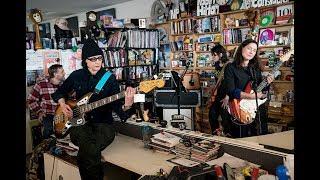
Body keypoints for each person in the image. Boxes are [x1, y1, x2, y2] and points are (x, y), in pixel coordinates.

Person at [51, 39, 136, 180]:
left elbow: (119, 108)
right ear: (85, 61)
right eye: (93, 59)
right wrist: (62, 103)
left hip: (104, 125)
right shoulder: (76, 75)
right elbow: (60, 92)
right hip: (78, 124)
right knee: (90, 148)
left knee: (89, 149)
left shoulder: (109, 78)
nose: (97, 62)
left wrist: (128, 104)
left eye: (100, 58)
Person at [223, 39, 274, 138]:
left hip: (256, 109)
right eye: (249, 48)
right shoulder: (230, 68)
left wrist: (267, 83)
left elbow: (261, 90)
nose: (251, 52)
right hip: (239, 109)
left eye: (254, 50)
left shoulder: (255, 68)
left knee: (260, 139)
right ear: (242, 48)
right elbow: (231, 91)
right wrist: (251, 96)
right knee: (242, 139)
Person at [27, 64, 65, 139]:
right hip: (48, 114)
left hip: (62, 115)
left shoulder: (64, 84)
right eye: (62, 71)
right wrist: (39, 112)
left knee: (63, 136)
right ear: (55, 74)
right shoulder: (41, 84)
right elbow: (31, 100)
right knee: (49, 135)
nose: (64, 73)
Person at [208, 44, 232, 136]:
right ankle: (216, 134)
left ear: (221, 54)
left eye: (214, 55)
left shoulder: (229, 66)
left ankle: (227, 136)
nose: (213, 57)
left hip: (227, 96)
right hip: (218, 95)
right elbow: (217, 80)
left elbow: (231, 83)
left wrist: (227, 96)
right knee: (212, 114)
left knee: (225, 118)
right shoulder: (217, 65)